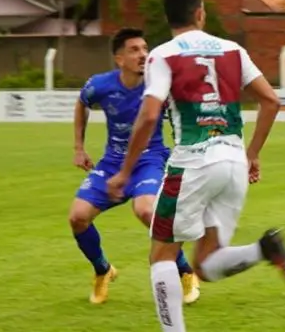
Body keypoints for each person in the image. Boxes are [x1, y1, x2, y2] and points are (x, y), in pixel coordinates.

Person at [108, 0, 285, 332]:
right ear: (200, 14)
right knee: (207, 262)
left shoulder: (162, 55)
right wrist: (253, 153)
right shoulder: (233, 50)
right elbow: (271, 100)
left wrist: (125, 171)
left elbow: (149, 116)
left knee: (162, 253)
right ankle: (264, 249)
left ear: (170, 19)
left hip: (193, 161)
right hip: (232, 162)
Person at [68, 27, 199, 305]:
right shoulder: (100, 85)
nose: (143, 55)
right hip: (112, 161)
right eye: (134, 50)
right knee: (77, 217)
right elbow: (82, 103)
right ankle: (103, 270)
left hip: (150, 159)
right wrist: (79, 147)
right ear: (119, 59)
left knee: (146, 210)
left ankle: (185, 270)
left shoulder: (160, 84)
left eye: (144, 48)